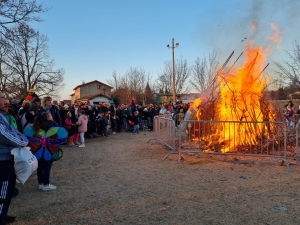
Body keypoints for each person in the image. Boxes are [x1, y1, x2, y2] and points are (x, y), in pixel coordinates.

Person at [0, 91, 28, 225]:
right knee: (3, 190)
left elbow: (12, 129)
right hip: (2, 159)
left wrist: (21, 137)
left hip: (6, 156)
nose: (4, 100)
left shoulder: (1, 115)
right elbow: (5, 134)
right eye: (2, 97)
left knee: (8, 189)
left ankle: (3, 213)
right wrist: (24, 141)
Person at [29, 113, 60, 191]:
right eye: (51, 115)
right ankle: (46, 184)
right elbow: (57, 137)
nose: (52, 116)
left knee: (39, 167)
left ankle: (40, 184)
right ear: (47, 117)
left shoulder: (37, 125)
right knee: (47, 167)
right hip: (49, 149)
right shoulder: (53, 125)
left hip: (37, 148)